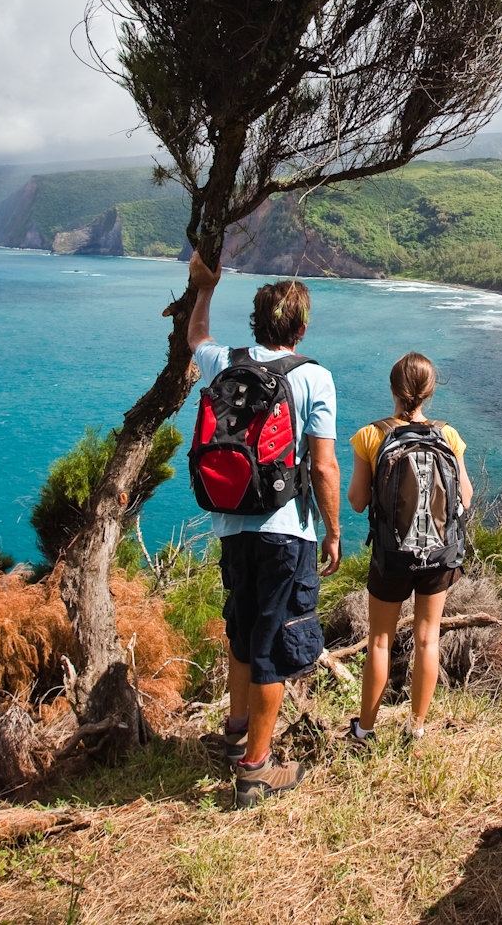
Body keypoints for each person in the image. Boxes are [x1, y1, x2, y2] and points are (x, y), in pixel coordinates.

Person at [186, 252, 341, 807]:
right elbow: (323, 465)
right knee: (274, 641)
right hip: (285, 530)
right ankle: (256, 767)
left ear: (256, 322)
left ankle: (234, 732)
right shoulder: (313, 376)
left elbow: (194, 336)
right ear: (301, 327)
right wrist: (333, 529)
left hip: (231, 524)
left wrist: (203, 288)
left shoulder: (223, 363)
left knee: (243, 628)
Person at [344, 352, 472, 747]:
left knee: (379, 640)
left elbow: (357, 500)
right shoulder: (448, 435)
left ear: (393, 388)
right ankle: (416, 728)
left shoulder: (370, 435)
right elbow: (465, 496)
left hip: (391, 557)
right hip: (437, 555)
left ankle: (364, 729)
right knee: (427, 638)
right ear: (430, 392)